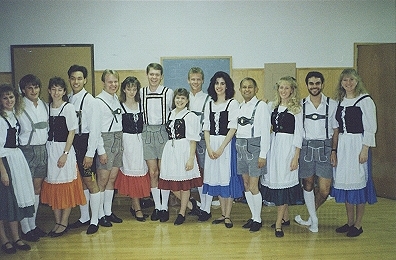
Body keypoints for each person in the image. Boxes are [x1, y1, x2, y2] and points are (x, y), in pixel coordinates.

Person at [331, 68, 377, 237]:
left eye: (351, 80)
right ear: (341, 83)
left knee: (358, 182)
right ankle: (349, 222)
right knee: (346, 182)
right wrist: (334, 150)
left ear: (357, 81)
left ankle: (358, 224)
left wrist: (365, 149)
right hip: (343, 145)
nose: (348, 83)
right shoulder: (340, 101)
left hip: (358, 144)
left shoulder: (365, 100)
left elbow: (371, 128)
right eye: (345, 80)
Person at [40, 77, 86, 237]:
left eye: (59, 89)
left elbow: (72, 132)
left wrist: (65, 154)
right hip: (50, 150)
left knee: (66, 187)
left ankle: (64, 222)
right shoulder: (46, 108)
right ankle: (57, 221)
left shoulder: (68, 108)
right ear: (49, 91)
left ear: (64, 92)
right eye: (53, 89)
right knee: (53, 187)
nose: (56, 92)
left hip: (64, 151)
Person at [294, 71, 339, 233]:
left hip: (325, 148)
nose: (314, 86)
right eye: (311, 83)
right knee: (307, 184)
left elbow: (335, 130)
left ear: (322, 84)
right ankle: (313, 220)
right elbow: (298, 132)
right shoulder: (300, 105)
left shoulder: (332, 104)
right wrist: (297, 154)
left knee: (325, 189)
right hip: (306, 148)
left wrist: (333, 150)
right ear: (307, 85)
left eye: (317, 83)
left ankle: (310, 216)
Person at [262, 76, 304, 238]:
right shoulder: (273, 106)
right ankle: (285, 218)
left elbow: (299, 135)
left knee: (283, 185)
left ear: (292, 90)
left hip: (288, 149)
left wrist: (296, 157)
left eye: (287, 88)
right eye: (281, 88)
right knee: (276, 181)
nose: (283, 91)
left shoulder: (296, 109)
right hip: (274, 147)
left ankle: (278, 223)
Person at [199, 71, 242, 228]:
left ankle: (228, 215)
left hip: (226, 144)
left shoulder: (232, 104)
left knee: (226, 179)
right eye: (217, 83)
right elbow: (206, 127)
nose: (219, 86)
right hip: (212, 145)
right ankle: (223, 215)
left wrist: (221, 147)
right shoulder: (209, 104)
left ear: (227, 85)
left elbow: (233, 127)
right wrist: (209, 147)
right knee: (217, 177)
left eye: (222, 83)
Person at [67, 65, 102, 234]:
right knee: (79, 182)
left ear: (85, 80)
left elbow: (95, 131)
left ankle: (94, 220)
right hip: (71, 144)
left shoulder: (91, 101)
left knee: (90, 182)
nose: (76, 81)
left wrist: (90, 154)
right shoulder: (67, 99)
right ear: (69, 80)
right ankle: (84, 217)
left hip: (85, 143)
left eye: (79, 78)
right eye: (73, 78)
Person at [158, 88, 202, 225]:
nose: (180, 100)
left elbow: (193, 139)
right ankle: (191, 205)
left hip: (184, 150)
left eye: (183, 98)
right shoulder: (171, 114)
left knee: (184, 185)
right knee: (171, 183)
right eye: (177, 98)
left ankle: (182, 213)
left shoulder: (190, 116)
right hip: (170, 151)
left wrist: (190, 158)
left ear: (187, 100)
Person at [0, 84, 35, 254]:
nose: (9, 100)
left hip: (15, 158)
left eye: (11, 97)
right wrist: (3, 172)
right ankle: (4, 239)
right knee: (4, 202)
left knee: (13, 202)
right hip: (4, 162)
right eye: (5, 98)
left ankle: (16, 237)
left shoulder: (14, 115)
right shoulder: (0, 120)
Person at [140, 63, 174, 222]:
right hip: (147, 132)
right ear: (147, 75)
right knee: (153, 172)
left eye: (157, 75)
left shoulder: (168, 93)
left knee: (164, 172)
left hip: (163, 132)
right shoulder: (141, 92)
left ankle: (165, 207)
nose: (154, 77)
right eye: (151, 74)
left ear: (161, 76)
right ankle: (158, 206)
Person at [236, 77, 271, 232]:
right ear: (240, 90)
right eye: (244, 87)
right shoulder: (240, 106)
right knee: (246, 185)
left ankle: (258, 218)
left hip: (255, 147)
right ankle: (253, 216)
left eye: (250, 87)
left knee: (253, 185)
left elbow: (265, 131)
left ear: (256, 89)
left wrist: (263, 154)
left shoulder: (261, 106)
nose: (247, 89)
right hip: (241, 147)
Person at [114, 76, 151, 222]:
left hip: (141, 142)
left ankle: (138, 202)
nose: (131, 92)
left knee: (142, 172)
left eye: (134, 89)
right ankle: (136, 206)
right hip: (127, 143)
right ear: (124, 89)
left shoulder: (141, 105)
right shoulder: (119, 105)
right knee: (132, 173)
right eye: (129, 89)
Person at [17, 74, 48, 241]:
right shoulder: (19, 106)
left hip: (43, 150)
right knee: (25, 190)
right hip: (26, 151)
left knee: (37, 189)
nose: (33, 90)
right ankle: (25, 228)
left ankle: (33, 225)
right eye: (30, 87)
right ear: (23, 90)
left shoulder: (43, 104)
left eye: (36, 87)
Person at [95, 69, 123, 227]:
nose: (113, 84)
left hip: (118, 139)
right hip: (105, 141)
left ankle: (108, 211)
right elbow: (96, 129)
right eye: (110, 82)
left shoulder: (116, 98)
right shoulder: (98, 101)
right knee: (102, 180)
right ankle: (99, 215)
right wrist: (101, 151)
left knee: (112, 178)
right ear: (104, 83)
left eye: (115, 81)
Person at [187, 67, 210, 214]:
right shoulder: (183, 97)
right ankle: (191, 204)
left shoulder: (208, 99)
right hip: (186, 141)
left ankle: (205, 207)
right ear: (188, 80)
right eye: (193, 79)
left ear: (202, 80)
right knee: (190, 172)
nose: (195, 82)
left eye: (198, 79)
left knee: (204, 172)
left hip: (202, 139)